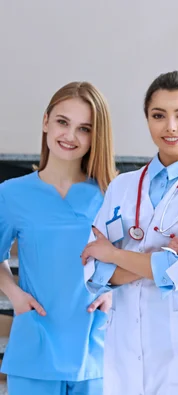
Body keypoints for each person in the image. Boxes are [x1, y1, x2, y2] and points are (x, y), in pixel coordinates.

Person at [81, 71, 178, 395]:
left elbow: (176, 271)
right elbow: (92, 269)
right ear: (147, 119)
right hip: (124, 346)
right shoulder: (122, 186)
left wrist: (115, 254)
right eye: (159, 115)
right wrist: (154, 260)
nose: (170, 127)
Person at [0, 82, 116, 395]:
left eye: (84, 128)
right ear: (46, 121)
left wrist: (113, 295)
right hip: (34, 342)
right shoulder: (11, 194)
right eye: (63, 122)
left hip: (95, 347)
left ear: (95, 137)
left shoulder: (111, 194)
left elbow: (130, 261)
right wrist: (14, 294)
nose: (70, 136)